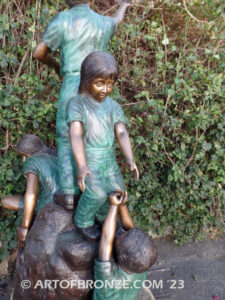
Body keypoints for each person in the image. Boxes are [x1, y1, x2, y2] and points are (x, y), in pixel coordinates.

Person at [33, 0, 132, 210]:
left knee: (67, 134)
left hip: (72, 85)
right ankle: (94, 191)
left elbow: (39, 52)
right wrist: (125, 4)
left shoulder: (63, 20)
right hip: (97, 87)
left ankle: (69, 193)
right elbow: (117, 21)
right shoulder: (102, 22)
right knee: (94, 138)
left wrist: (57, 65)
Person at [67, 51, 139, 242]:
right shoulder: (78, 103)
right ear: (87, 80)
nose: (105, 89)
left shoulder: (113, 106)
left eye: (110, 84)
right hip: (89, 157)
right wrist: (82, 165)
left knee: (118, 191)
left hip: (108, 158)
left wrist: (130, 159)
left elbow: (121, 132)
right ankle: (83, 221)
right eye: (99, 83)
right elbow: (75, 134)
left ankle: (102, 218)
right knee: (96, 192)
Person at [93, 191, 157, 300]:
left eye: (121, 237)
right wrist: (122, 206)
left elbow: (105, 241)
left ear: (122, 257)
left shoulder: (109, 282)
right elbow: (131, 230)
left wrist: (113, 206)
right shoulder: (141, 268)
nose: (122, 232)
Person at [1, 134, 59, 247]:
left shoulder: (33, 161)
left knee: (5, 200)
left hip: (47, 204)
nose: (24, 160)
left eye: (24, 155)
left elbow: (31, 195)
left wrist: (24, 227)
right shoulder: (54, 156)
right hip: (61, 202)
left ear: (31, 151)